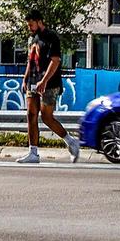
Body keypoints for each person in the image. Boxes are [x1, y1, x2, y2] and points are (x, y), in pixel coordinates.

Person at [17, 9, 80, 164]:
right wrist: (25, 79)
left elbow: (56, 60)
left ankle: (71, 141)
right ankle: (33, 152)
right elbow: (30, 60)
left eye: (31, 25)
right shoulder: (32, 39)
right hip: (33, 81)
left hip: (50, 83)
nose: (29, 28)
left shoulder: (51, 37)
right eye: (28, 25)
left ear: (39, 21)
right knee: (31, 115)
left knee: (46, 117)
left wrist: (44, 81)